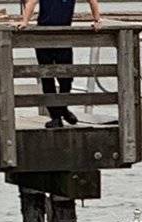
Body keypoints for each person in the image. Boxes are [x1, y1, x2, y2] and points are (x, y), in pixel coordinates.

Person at [18, 0, 101, 129]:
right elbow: (31, 2)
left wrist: (97, 20)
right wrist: (25, 22)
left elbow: (93, 1)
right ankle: (56, 116)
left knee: (66, 77)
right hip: (43, 36)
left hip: (64, 36)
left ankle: (63, 109)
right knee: (47, 78)